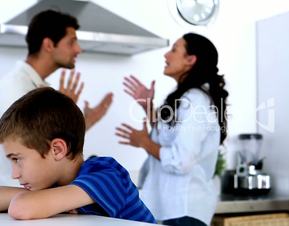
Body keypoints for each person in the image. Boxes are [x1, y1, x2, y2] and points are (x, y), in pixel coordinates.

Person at [116, 33, 229, 226]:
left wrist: (144, 142)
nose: (166, 55)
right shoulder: (187, 98)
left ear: (190, 60)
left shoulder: (195, 102)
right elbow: (169, 136)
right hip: (173, 208)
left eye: (174, 49)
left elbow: (181, 160)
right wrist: (147, 105)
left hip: (184, 210)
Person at [0, 87, 155, 223]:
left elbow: (20, 208)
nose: (14, 174)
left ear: (57, 150)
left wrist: (40, 199)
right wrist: (45, 198)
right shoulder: (54, 184)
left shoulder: (107, 176)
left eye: (17, 159)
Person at [0, 10, 112, 186]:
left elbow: (47, 142)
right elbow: (31, 144)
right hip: (18, 194)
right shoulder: (17, 88)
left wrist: (83, 121)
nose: (78, 49)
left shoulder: (36, 87)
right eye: (72, 42)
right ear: (49, 44)